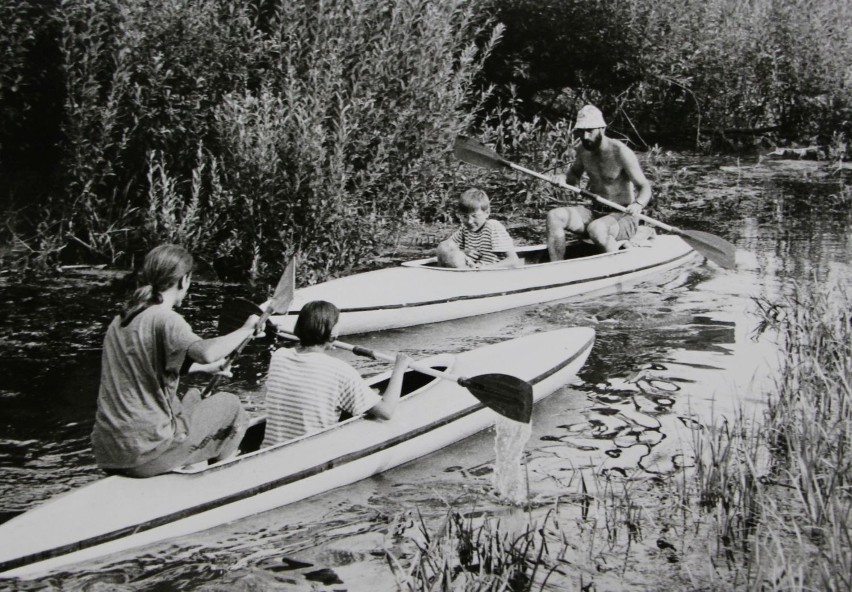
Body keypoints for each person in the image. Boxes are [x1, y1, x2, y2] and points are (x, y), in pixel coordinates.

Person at [92, 244, 260, 477]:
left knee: (192, 396)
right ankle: (220, 480)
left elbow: (147, 367)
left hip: (108, 451)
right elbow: (207, 352)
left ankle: (192, 463)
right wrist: (246, 329)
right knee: (231, 405)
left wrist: (209, 368)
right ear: (184, 281)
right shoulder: (167, 319)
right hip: (144, 453)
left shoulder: (121, 320)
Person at [262, 300, 411, 446]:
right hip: (311, 454)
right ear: (332, 331)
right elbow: (386, 412)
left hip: (271, 447)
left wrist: (326, 344)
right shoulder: (340, 370)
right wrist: (399, 368)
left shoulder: (279, 356)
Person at [545, 105, 652, 260]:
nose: (585, 136)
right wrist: (562, 178)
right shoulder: (583, 150)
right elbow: (573, 176)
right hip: (595, 212)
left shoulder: (621, 152)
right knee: (554, 216)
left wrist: (639, 204)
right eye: (581, 131)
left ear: (602, 129)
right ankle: (557, 267)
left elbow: (644, 187)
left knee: (596, 229)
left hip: (622, 215)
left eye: (590, 130)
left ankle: (619, 261)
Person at [436, 188, 520, 269]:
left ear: (487, 213)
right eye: (465, 216)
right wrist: (463, 251)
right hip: (472, 268)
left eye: (474, 216)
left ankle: (458, 277)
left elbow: (514, 260)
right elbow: (448, 247)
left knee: (452, 254)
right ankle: (444, 275)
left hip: (490, 270)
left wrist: (485, 268)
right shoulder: (465, 228)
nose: (470, 221)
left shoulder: (493, 227)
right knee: (443, 247)